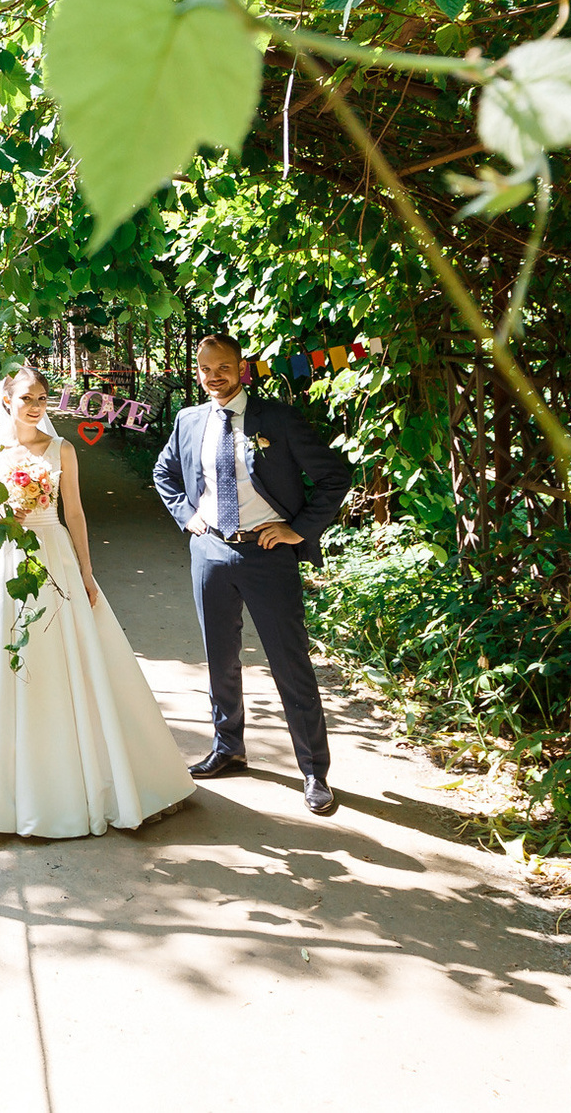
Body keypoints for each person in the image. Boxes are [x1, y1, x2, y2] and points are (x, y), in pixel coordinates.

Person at [0, 365, 195, 837]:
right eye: (27, 399)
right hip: (2, 558)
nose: (36, 407)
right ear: (6, 401)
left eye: (42, 398)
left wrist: (86, 569)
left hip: (53, 552)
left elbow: (74, 512)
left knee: (69, 656)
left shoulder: (63, 449)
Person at [151, 334, 354, 815]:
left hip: (267, 555)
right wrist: (187, 517)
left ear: (241, 368)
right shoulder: (188, 420)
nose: (214, 376)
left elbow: (334, 476)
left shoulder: (277, 419)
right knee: (219, 659)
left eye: (223, 367)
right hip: (210, 553)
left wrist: (296, 530)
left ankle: (313, 772)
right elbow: (164, 474)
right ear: (197, 371)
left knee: (290, 662)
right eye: (205, 369)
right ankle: (228, 749)